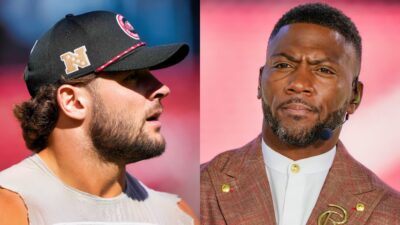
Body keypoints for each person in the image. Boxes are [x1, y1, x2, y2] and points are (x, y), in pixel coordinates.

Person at [201, 3, 400, 225]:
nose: (299, 83)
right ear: (259, 82)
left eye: (323, 70)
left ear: (354, 97)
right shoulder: (201, 188)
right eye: (284, 65)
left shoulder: (390, 212)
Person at [0, 11, 198, 225]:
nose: (162, 88)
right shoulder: (12, 207)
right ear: (73, 102)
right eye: (132, 76)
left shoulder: (178, 215)